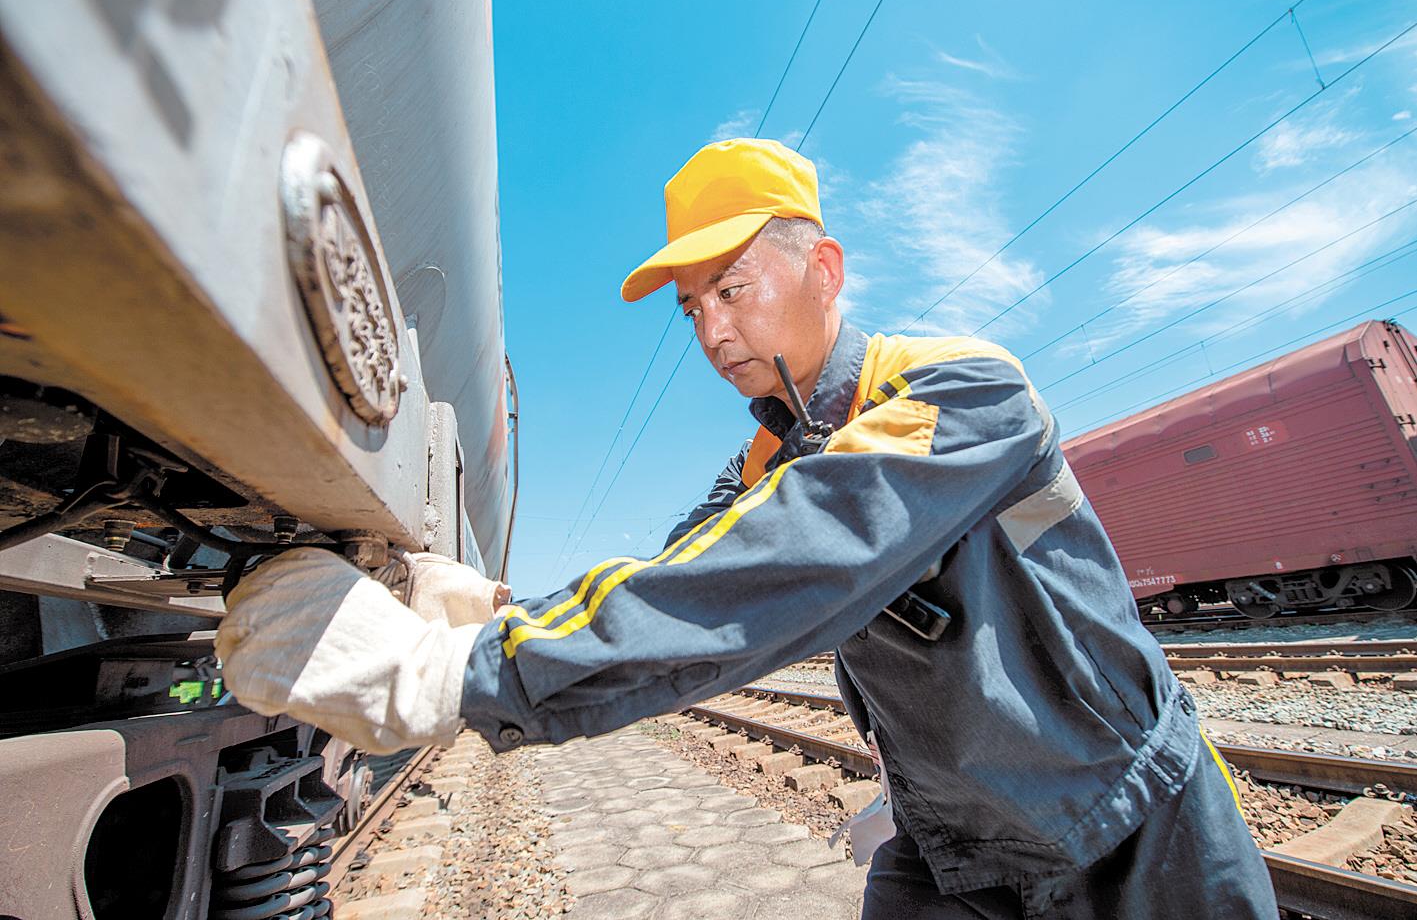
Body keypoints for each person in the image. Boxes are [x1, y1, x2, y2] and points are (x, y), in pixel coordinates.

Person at [217, 138, 1278, 917]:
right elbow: (685, 571)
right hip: (958, 839)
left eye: (731, 287)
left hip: (1130, 833)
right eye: (691, 308)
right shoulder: (772, 455)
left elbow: (792, 561)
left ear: (823, 270)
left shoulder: (962, 391)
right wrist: (498, 610)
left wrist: (462, 674)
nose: (712, 330)